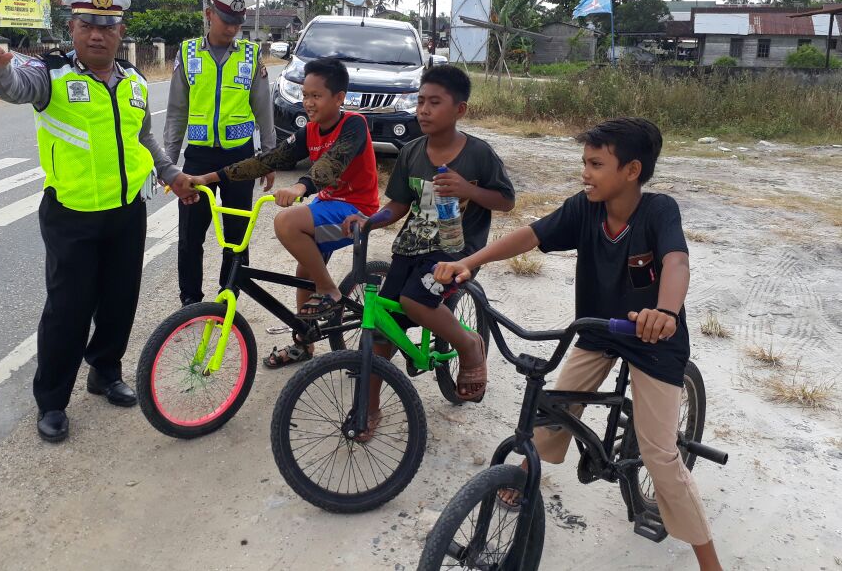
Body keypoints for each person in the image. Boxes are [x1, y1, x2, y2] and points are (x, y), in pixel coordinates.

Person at [433, 117, 722, 571]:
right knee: (554, 406)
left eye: (595, 163)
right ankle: (527, 469)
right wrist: (469, 261)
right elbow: (531, 234)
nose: (584, 172)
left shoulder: (659, 210)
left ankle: (709, 560)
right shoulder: (584, 208)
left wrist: (664, 313)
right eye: (584, 162)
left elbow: (677, 261)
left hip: (652, 341)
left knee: (660, 456)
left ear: (631, 170)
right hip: (597, 329)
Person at [0, 0, 198, 444]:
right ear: (71, 28)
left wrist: (171, 173)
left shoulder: (133, 82)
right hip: (71, 214)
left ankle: (105, 372)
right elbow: (16, 84)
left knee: (119, 301)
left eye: (107, 26)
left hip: (126, 211)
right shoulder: (49, 76)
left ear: (120, 31)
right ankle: (52, 401)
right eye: (87, 25)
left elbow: (142, 137)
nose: (97, 34)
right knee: (67, 311)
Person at [343, 65, 516, 427]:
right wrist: (370, 220)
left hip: (457, 252)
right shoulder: (411, 152)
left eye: (434, 102)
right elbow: (398, 206)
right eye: (420, 101)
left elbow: (505, 201)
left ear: (460, 110)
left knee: (414, 299)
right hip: (410, 248)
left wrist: (468, 190)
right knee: (382, 330)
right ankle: (368, 409)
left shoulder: (478, 154)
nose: (423, 110)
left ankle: (469, 345)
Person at [192, 57, 379, 367]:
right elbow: (266, 160)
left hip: (356, 214)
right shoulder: (311, 131)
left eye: (316, 96)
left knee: (288, 223)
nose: (308, 103)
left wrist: (300, 187)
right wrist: (207, 179)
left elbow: (332, 165)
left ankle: (330, 291)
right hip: (329, 205)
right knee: (305, 270)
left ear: (339, 97)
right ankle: (304, 343)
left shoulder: (354, 124)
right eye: (305, 95)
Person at [164, 0, 277, 306]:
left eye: (238, 23)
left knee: (237, 233)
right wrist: (168, 164)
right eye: (227, 21)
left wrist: (268, 157)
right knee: (190, 234)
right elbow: (176, 111)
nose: (232, 29)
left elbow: (263, 109)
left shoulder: (251, 55)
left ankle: (229, 295)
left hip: (240, 157)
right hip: (198, 159)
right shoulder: (187, 53)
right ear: (209, 14)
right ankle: (190, 300)